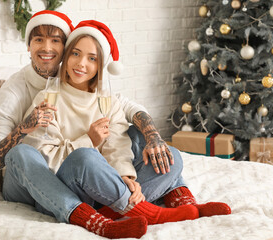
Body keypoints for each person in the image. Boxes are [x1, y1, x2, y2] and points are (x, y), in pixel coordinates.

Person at [21, 19, 202, 238]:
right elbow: (45, 161)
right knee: (86, 156)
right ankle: (145, 211)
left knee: (172, 157)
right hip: (66, 187)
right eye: (75, 54)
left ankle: (111, 210)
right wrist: (88, 140)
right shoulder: (47, 98)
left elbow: (117, 144)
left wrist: (126, 177)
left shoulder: (108, 101)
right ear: (66, 56)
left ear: (100, 66)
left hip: (101, 188)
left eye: (92, 58)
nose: (81, 64)